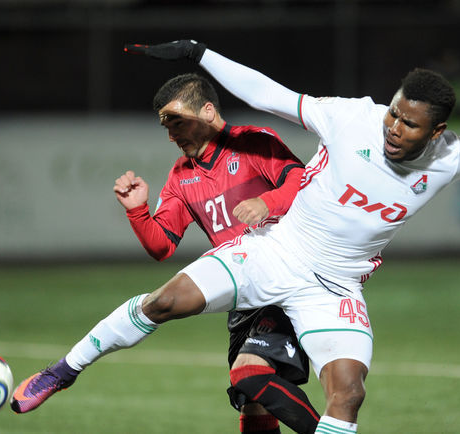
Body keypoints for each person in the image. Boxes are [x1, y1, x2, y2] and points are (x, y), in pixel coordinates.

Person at [11, 40, 460, 433]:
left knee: (347, 395)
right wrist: (199, 53)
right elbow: (267, 93)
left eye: (409, 124)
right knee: (163, 303)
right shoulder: (352, 119)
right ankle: (62, 372)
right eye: (393, 112)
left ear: (435, 133)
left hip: (336, 286)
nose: (393, 127)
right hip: (277, 250)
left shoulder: (453, 155)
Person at [112, 72, 320, 433]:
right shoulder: (181, 176)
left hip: (282, 281)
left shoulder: (253, 142)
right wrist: (137, 211)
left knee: (249, 373)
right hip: (241, 294)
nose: (172, 135)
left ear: (207, 111)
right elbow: (161, 246)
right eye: (166, 127)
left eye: (177, 122)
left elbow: (300, 181)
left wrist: (266, 202)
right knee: (252, 400)